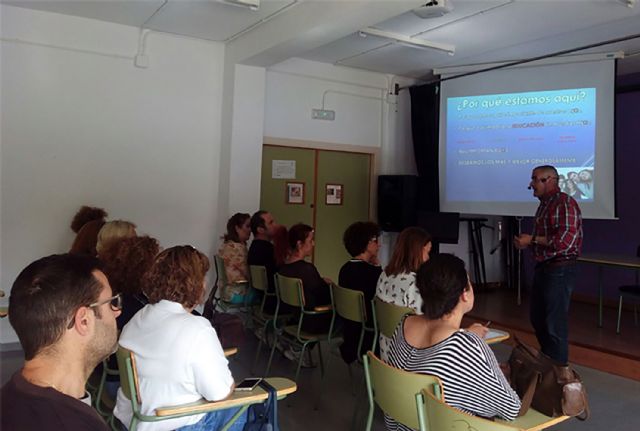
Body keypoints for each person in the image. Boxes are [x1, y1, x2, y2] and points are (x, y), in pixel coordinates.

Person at [114, 246, 245, 431]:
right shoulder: (197, 328)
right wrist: (230, 385)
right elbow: (219, 394)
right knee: (243, 406)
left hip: (135, 422)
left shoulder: (140, 317)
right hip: (175, 424)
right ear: (197, 284)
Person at [386, 254, 521, 431]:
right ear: (464, 294)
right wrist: (495, 373)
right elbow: (511, 408)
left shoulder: (405, 323)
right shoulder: (465, 346)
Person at [1, 254, 121, 430]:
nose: (117, 312)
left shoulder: (10, 395)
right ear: (84, 321)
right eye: (112, 303)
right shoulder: (79, 425)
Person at [514, 165, 582, 364]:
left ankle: (559, 375)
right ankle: (549, 364)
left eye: (535, 179)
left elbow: (564, 242)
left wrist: (532, 239)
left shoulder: (565, 203)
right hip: (544, 267)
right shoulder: (544, 204)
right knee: (538, 319)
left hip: (560, 269)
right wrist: (527, 242)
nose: (531, 184)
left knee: (554, 324)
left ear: (550, 180)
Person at [376, 227, 432, 361]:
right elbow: (424, 326)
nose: (429, 257)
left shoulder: (384, 275)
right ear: (417, 252)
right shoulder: (415, 284)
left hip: (386, 349)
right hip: (409, 357)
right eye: (427, 252)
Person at [338, 221, 382, 364]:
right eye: (375, 241)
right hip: (369, 336)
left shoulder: (345, 269)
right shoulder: (373, 273)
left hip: (350, 333)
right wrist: (378, 267)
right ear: (366, 243)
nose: (379, 245)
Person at [278, 223, 332, 334]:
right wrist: (328, 285)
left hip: (294, 317)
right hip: (310, 321)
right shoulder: (307, 270)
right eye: (310, 240)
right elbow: (324, 295)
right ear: (299, 244)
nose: (313, 244)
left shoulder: (283, 268)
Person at [247, 210, 279, 312]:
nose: (276, 225)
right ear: (260, 229)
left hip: (263, 299)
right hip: (274, 302)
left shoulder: (255, 247)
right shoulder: (268, 251)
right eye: (271, 223)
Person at [218, 213, 251, 302]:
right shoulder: (237, 249)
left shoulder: (226, 245)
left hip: (226, 291)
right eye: (247, 226)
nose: (250, 230)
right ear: (237, 228)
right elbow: (249, 274)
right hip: (236, 292)